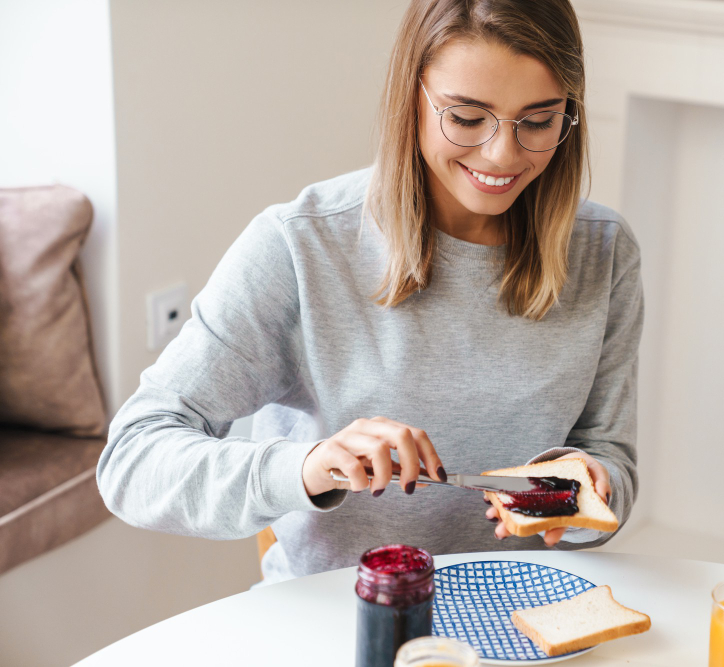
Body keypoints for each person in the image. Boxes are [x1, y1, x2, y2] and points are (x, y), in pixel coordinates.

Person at [97, 0, 643, 587]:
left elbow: (612, 465)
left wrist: (585, 490)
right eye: (465, 117)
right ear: (412, 96)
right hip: (336, 624)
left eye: (538, 121)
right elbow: (132, 461)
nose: (502, 154)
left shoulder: (604, 252)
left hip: (526, 617)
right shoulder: (299, 246)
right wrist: (306, 469)